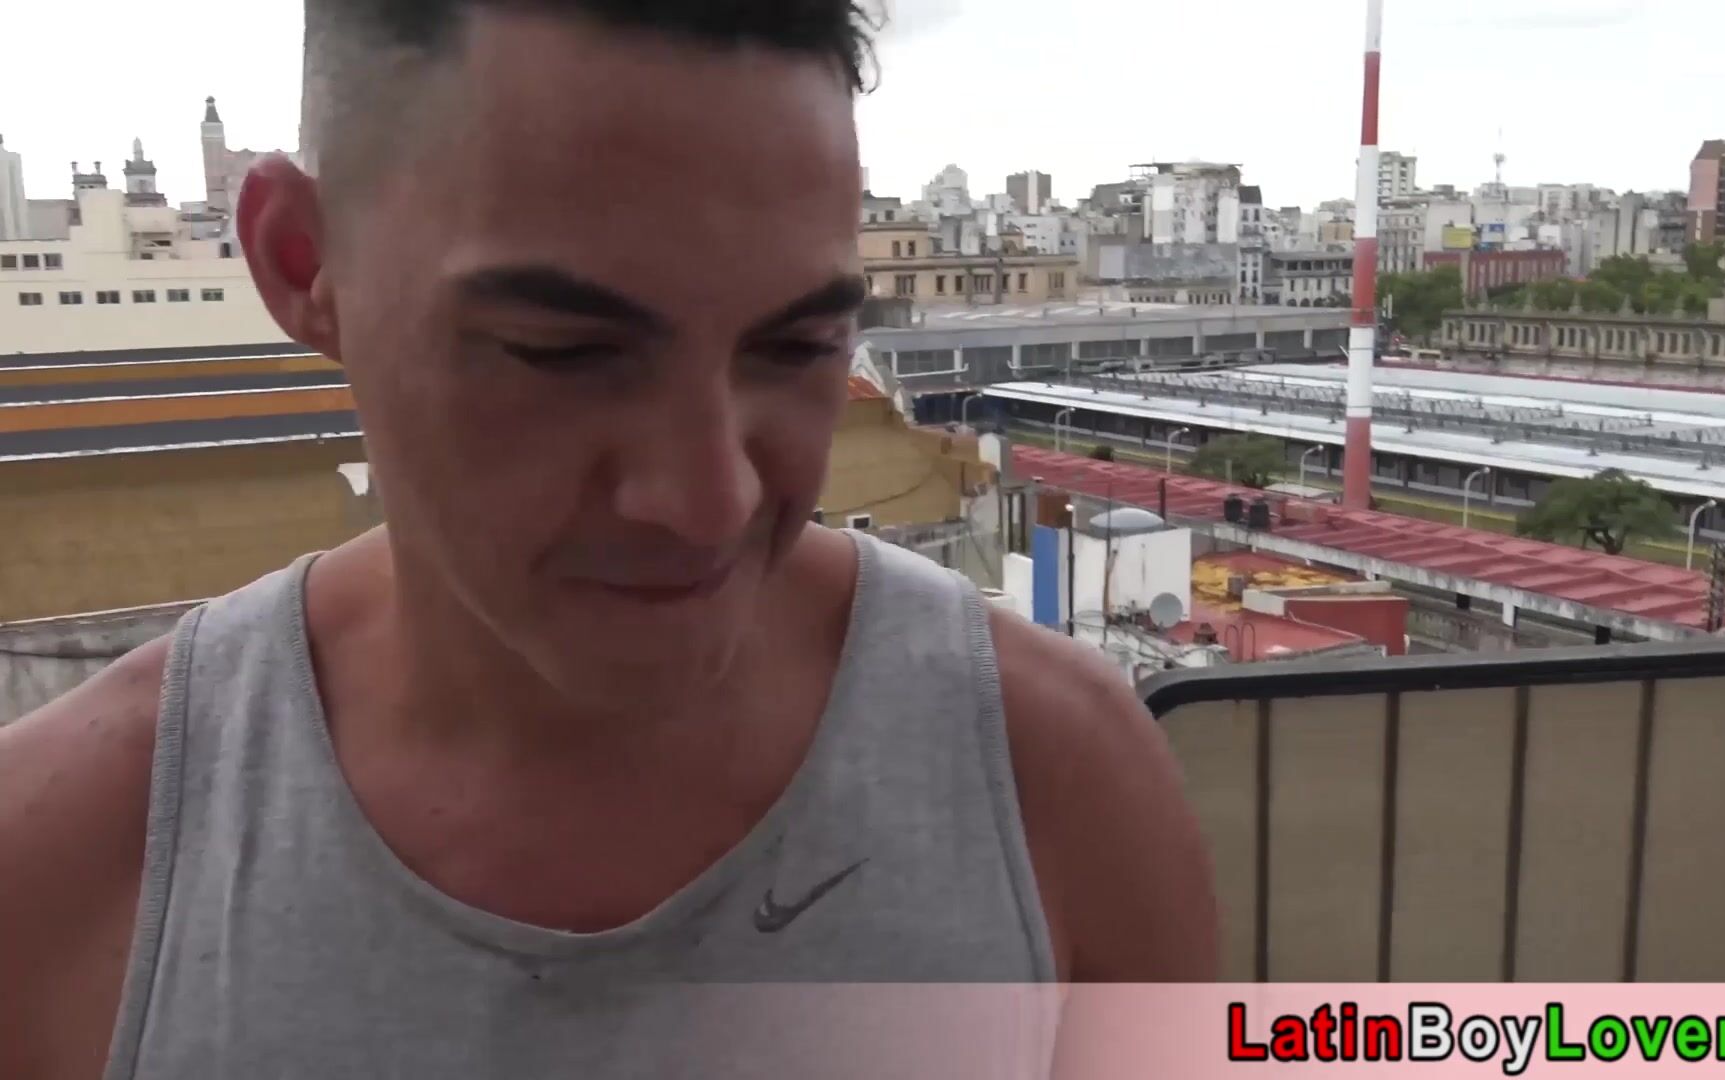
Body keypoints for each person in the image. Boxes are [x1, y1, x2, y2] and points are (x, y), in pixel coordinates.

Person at [0, 2, 1217, 1076]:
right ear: (305, 263)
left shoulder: (1058, 778)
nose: (710, 500)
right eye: (565, 354)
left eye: (796, 349)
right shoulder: (53, 867)